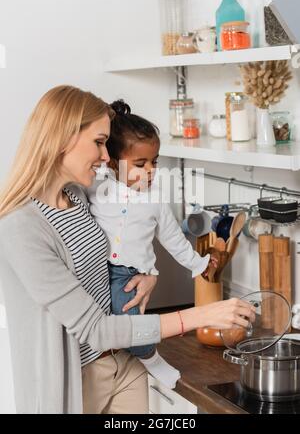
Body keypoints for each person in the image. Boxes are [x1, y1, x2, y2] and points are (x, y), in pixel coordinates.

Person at [0, 85, 255, 414]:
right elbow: (94, 329)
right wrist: (202, 315)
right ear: (62, 138)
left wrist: (149, 274)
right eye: (99, 143)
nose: (107, 157)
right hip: (75, 381)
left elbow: (123, 244)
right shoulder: (21, 226)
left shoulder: (79, 197)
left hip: (124, 364)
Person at [87, 100, 212, 390]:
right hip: (95, 269)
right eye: (140, 164)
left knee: (129, 322)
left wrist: (199, 265)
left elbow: (172, 239)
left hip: (128, 275)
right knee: (101, 326)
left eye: (154, 162)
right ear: (114, 162)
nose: (151, 170)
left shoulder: (155, 198)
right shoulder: (96, 186)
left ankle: (151, 359)